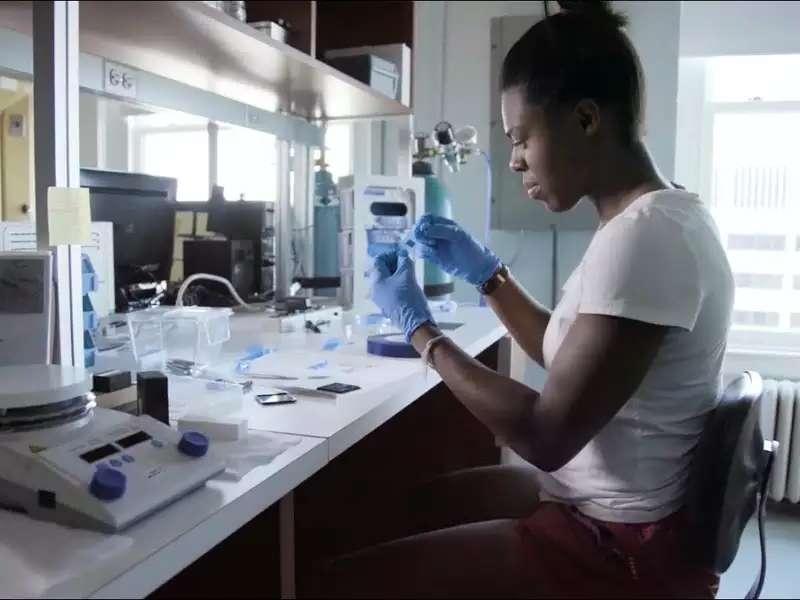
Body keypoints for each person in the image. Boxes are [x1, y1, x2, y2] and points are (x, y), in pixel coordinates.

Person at [322, 2, 733, 597]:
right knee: (411, 504)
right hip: (599, 505)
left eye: (522, 138)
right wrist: (490, 277)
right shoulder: (659, 218)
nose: (514, 159)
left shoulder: (647, 238)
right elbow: (570, 358)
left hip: (618, 551)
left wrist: (421, 333)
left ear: (586, 118)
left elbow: (545, 436)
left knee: (341, 581)